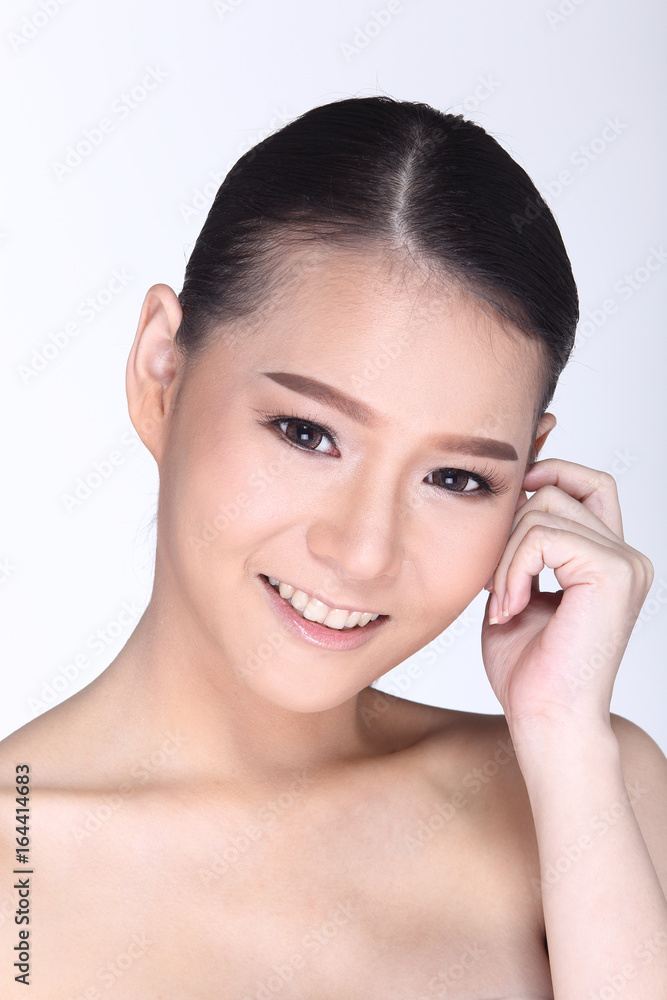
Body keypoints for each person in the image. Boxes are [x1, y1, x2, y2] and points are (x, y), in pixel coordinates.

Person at [1, 94, 666, 1000]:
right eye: (306, 433)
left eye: (456, 478)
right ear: (162, 372)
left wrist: (563, 740)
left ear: (529, 480)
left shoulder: (594, 794)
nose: (362, 552)